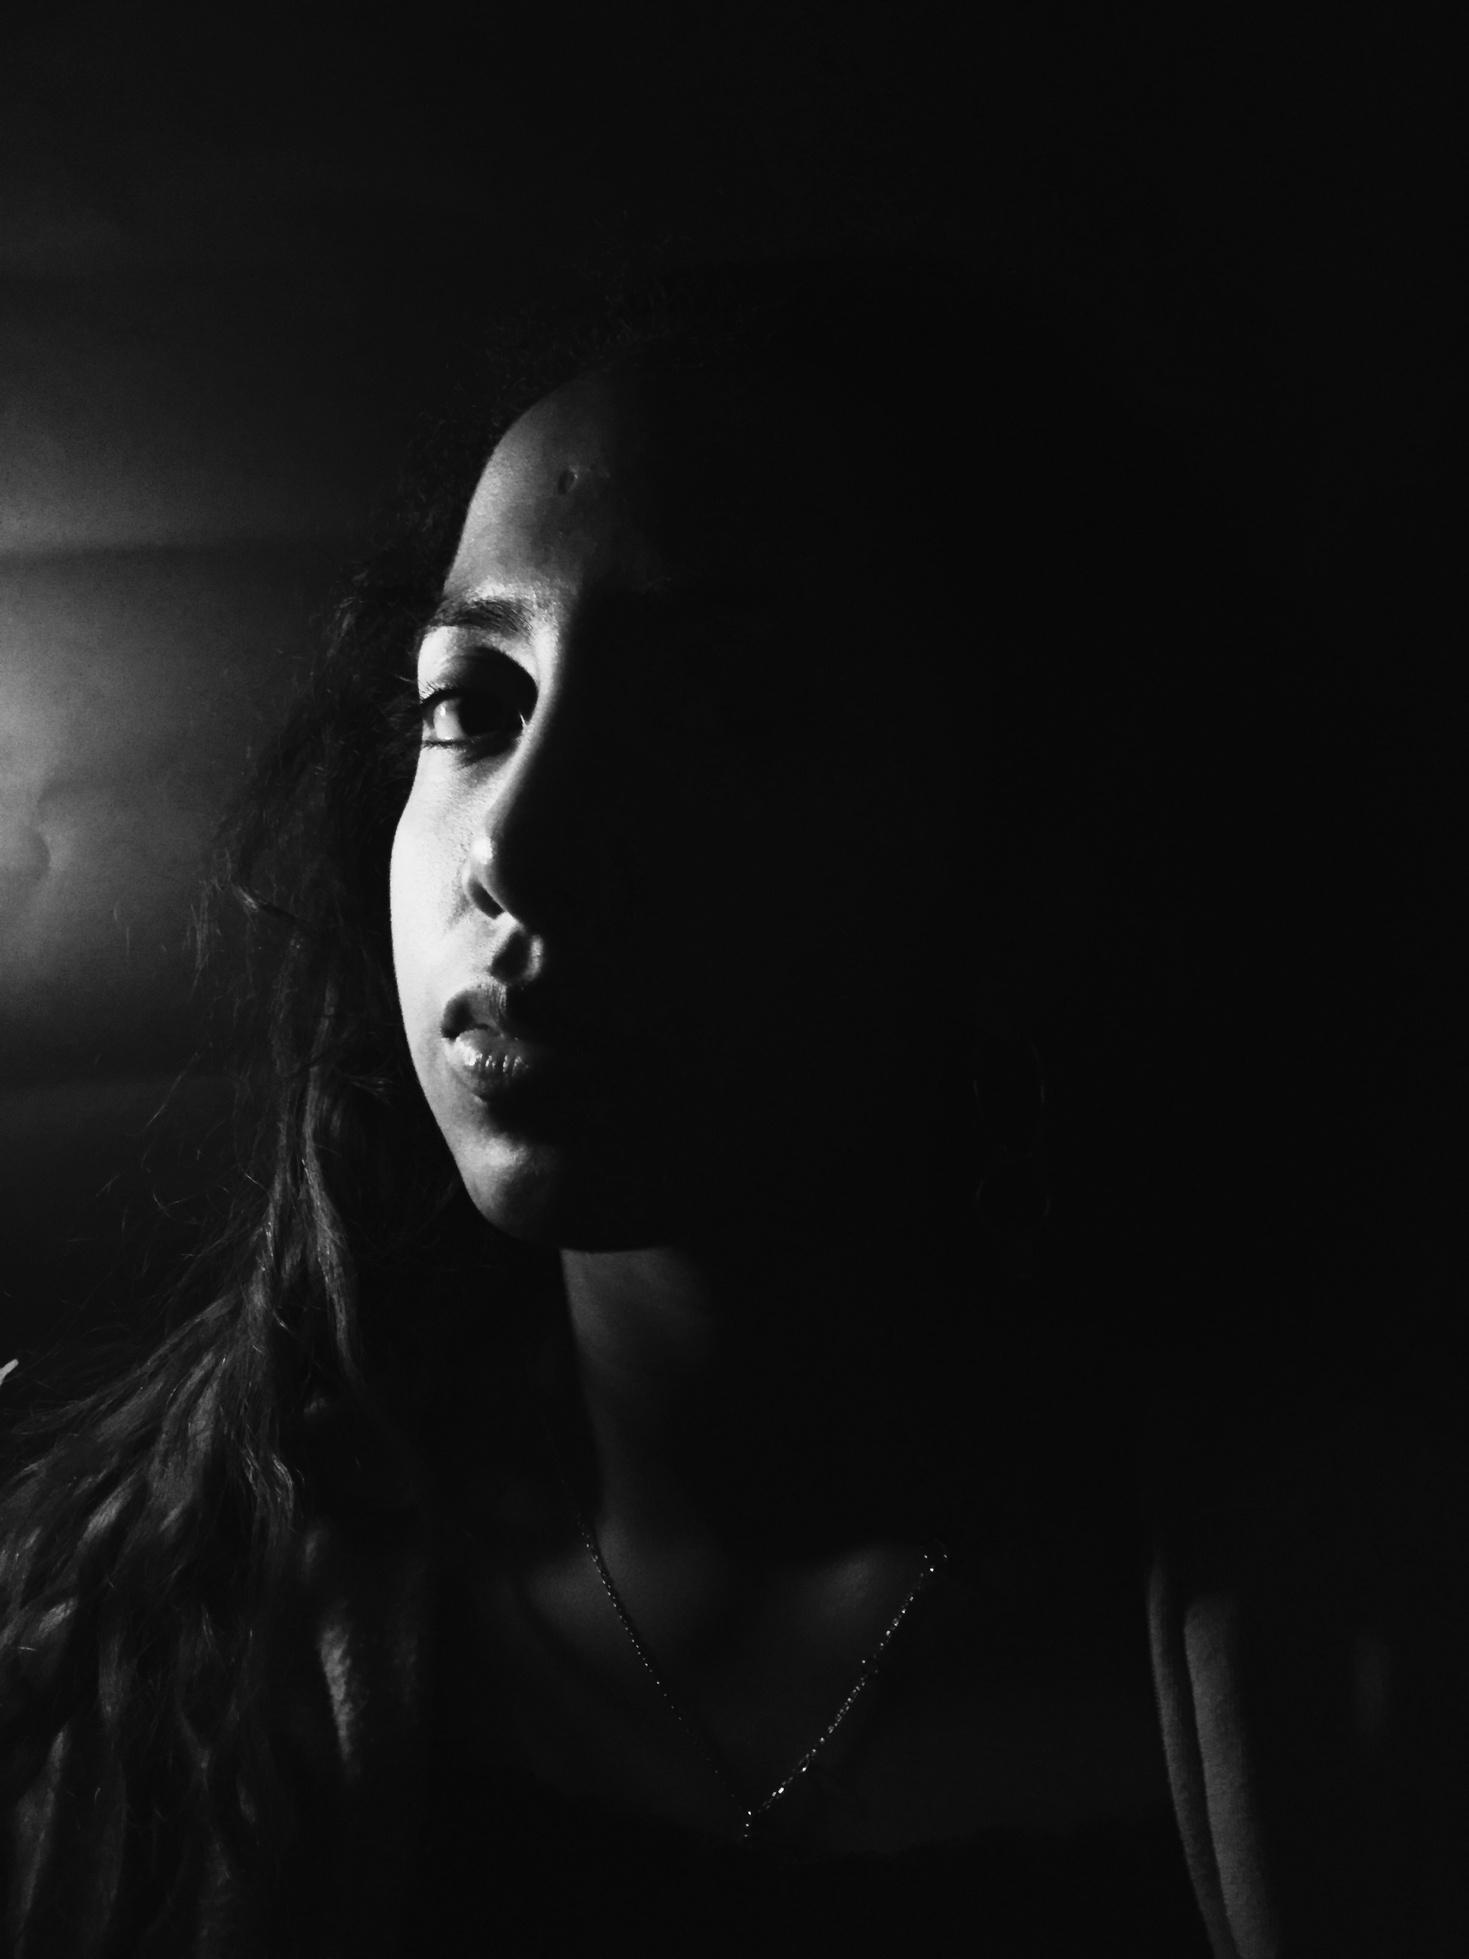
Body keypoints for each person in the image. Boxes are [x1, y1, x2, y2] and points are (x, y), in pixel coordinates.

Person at [0, 253, 1460, 1956]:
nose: (519, 847)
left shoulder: (1376, 1687)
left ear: (1040, 848)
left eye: (724, 720)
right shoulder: (141, 1661)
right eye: (470, 705)